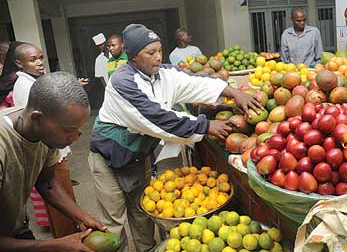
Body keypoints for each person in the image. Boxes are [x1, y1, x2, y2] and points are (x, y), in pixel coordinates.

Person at [88, 23, 263, 252]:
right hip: (108, 157)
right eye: (151, 53)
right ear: (132, 56)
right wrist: (206, 125)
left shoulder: (164, 74)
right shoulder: (122, 83)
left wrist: (233, 92)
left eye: (159, 50)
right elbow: (155, 118)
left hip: (139, 155)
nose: (158, 57)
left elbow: (195, 81)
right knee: (113, 223)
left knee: (142, 214)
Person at [0, 71, 106, 251]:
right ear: (37, 118)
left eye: (79, 130)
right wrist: (54, 245)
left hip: (14, 228)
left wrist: (81, 217)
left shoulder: (44, 132)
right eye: (68, 131)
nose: (74, 138)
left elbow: (46, 181)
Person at [12, 43, 81, 238]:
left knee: (61, 200)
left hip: (50, 151)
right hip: (47, 153)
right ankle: (67, 239)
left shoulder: (35, 81)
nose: (40, 63)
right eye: (33, 60)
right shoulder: (26, 86)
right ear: (19, 63)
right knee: (61, 207)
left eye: (41, 58)